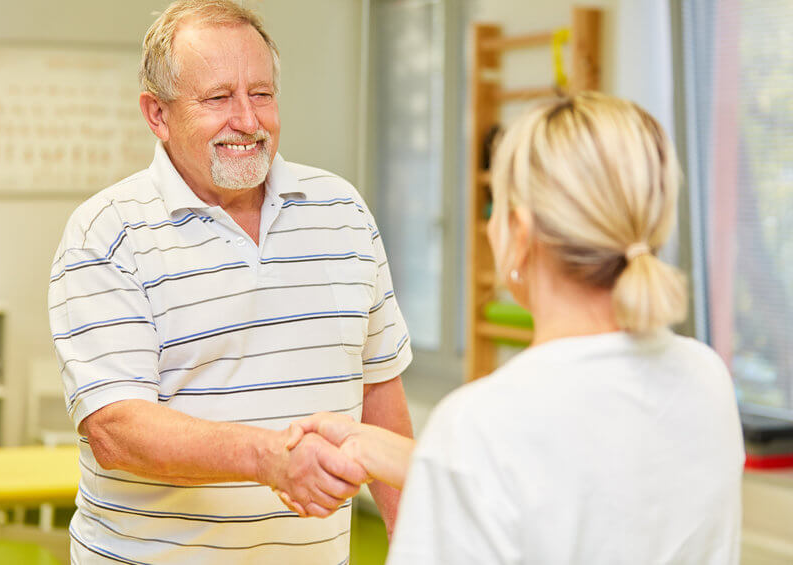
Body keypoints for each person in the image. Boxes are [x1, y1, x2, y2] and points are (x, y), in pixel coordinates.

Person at [287, 92, 745, 564]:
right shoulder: (706, 376)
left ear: (520, 233)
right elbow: (597, 487)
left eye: (495, 204)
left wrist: (449, 464)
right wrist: (425, 463)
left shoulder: (480, 427)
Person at [47, 1, 412, 563]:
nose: (247, 120)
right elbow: (116, 431)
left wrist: (410, 537)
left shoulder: (343, 211)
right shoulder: (106, 234)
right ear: (158, 115)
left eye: (261, 94)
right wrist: (269, 459)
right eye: (218, 98)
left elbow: (379, 388)